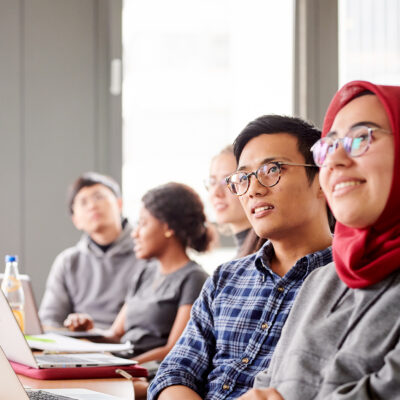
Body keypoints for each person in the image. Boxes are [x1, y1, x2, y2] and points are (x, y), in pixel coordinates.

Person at [148, 115, 333, 400]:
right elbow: (176, 371)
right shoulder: (226, 278)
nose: (254, 190)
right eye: (243, 177)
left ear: (322, 178)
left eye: (272, 169)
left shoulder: (348, 283)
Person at [241, 81, 400, 400]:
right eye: (329, 146)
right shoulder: (321, 281)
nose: (335, 160)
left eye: (360, 137)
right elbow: (267, 384)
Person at [65, 182, 210, 365]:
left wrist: (125, 366)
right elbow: (115, 335)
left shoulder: (194, 279)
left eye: (143, 223)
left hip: (148, 373)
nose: (135, 234)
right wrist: (88, 331)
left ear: (168, 228)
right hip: (124, 364)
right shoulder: (146, 273)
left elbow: (174, 349)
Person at [39, 172, 147, 329]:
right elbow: (50, 320)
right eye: (83, 202)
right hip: (79, 346)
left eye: (99, 197)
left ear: (119, 204)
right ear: (75, 220)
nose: (92, 206)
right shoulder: (68, 261)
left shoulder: (147, 253)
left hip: (130, 345)